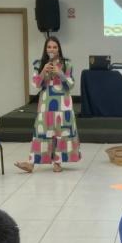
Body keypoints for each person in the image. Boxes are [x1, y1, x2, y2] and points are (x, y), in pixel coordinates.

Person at [15, 37, 80, 174]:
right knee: (41, 131)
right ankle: (31, 163)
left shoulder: (67, 63)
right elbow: (36, 84)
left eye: (55, 47)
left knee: (61, 132)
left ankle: (57, 162)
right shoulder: (39, 64)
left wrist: (60, 73)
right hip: (46, 103)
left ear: (59, 49)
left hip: (63, 103)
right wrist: (44, 70)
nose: (52, 49)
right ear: (45, 49)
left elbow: (71, 84)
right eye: (49, 47)